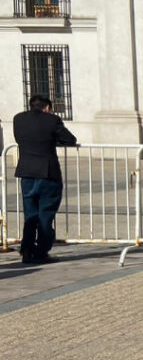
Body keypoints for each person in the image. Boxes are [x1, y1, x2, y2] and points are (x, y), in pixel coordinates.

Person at [13, 94, 78, 264]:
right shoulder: (52, 120)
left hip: (26, 172)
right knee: (45, 214)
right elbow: (69, 139)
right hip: (48, 173)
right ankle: (41, 251)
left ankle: (26, 249)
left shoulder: (18, 119)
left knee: (30, 214)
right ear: (47, 108)